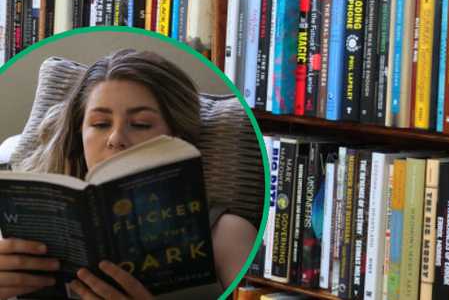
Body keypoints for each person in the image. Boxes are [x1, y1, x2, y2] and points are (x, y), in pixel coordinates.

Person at [0, 50, 257, 300]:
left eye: (141, 124)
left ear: (177, 136)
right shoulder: (26, 225)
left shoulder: (225, 235)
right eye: (100, 124)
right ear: (79, 135)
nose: (115, 138)